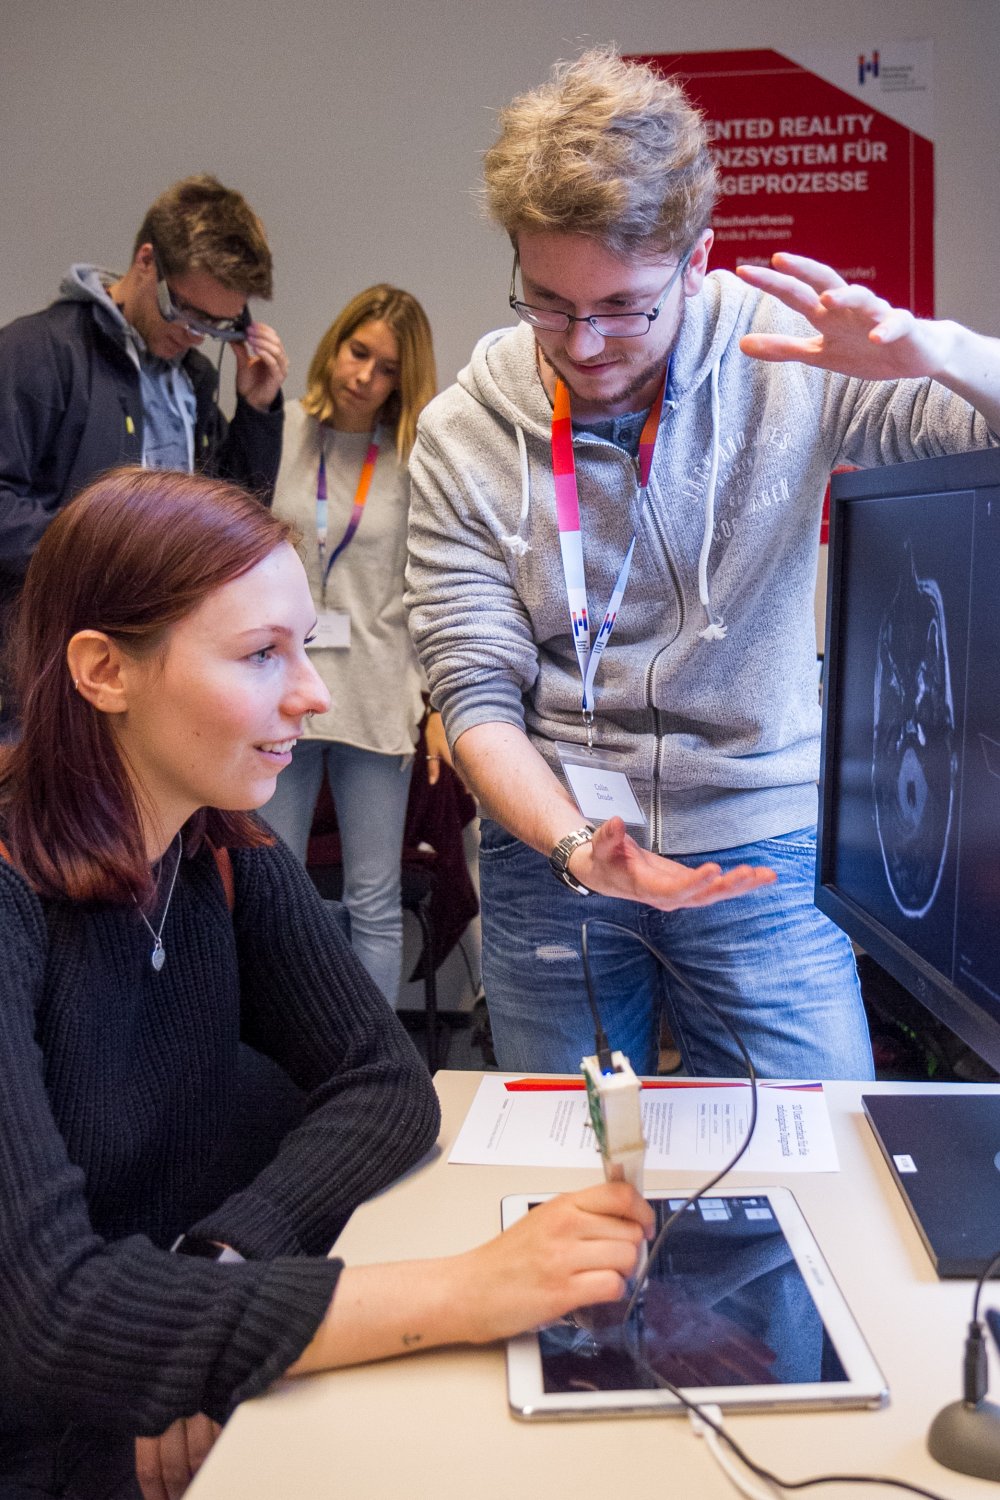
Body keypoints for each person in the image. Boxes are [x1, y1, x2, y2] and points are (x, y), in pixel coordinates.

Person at [0, 465, 652, 1499]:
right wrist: (467, 1291)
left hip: (172, 1376)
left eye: (303, 644)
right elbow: (51, 1316)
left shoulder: (218, 839)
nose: (310, 691)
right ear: (102, 671)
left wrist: (223, 1262)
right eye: (262, 655)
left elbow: (386, 1084)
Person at [405, 48, 1000, 1080]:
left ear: (697, 258)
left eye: (622, 306)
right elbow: (474, 698)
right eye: (547, 302)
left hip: (759, 841)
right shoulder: (464, 431)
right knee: (572, 1171)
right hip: (554, 847)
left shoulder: (789, 362)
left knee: (817, 1152)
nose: (582, 345)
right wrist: (574, 847)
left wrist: (938, 354)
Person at [0, 173, 290, 697]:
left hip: (153, 668)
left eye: (219, 325)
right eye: (185, 311)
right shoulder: (35, 353)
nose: (196, 335)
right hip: (42, 676)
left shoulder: (193, 378)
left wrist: (257, 408)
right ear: (146, 261)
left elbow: (234, 518)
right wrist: (116, 558)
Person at [263, 285, 443, 1005]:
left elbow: (429, 590)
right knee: (274, 892)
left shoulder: (412, 461)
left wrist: (433, 703)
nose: (364, 376)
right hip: (278, 696)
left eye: (387, 368)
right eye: (357, 351)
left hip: (373, 696)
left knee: (373, 899)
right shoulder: (278, 431)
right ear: (335, 345)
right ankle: (278, 1067)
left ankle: (373, 1069)